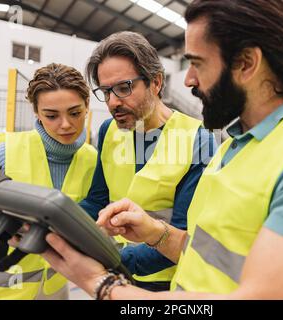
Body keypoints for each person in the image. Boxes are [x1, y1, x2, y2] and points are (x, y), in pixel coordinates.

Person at [39, 0, 283, 300]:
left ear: (246, 63)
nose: (189, 80)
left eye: (198, 63)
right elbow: (205, 254)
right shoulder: (237, 145)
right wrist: (155, 232)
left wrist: (102, 284)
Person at [0, 63, 98, 300]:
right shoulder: (3, 155)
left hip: (54, 294)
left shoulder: (93, 161)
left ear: (87, 106)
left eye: (74, 113)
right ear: (36, 111)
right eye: (51, 115)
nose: (65, 124)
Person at [78, 31, 216, 291]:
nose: (112, 102)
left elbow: (185, 235)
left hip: (165, 286)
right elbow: (96, 201)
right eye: (105, 91)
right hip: (116, 278)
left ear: (155, 82)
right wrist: (60, 224)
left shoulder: (198, 139)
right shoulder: (109, 130)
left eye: (123, 88)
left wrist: (108, 260)